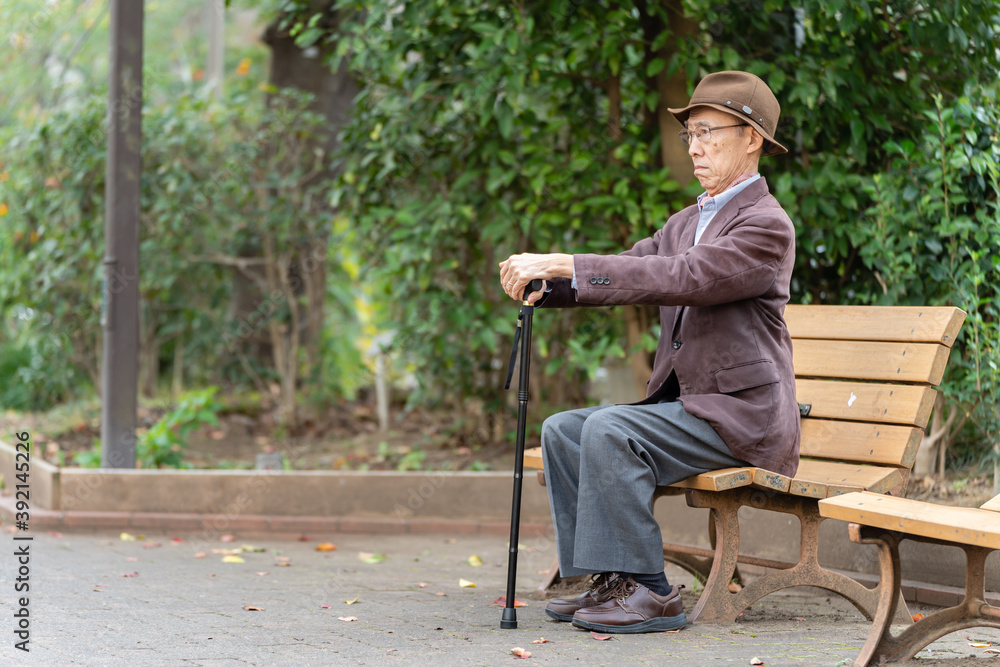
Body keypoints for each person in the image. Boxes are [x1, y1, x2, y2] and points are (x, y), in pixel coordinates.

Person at [498, 70, 800, 634]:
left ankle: (653, 592)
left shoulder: (766, 226)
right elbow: (636, 268)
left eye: (709, 131)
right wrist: (550, 287)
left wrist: (564, 260)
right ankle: (606, 578)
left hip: (742, 417)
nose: (695, 146)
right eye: (690, 133)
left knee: (612, 429)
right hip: (693, 411)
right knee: (564, 428)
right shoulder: (687, 221)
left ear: (752, 137)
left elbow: (683, 277)